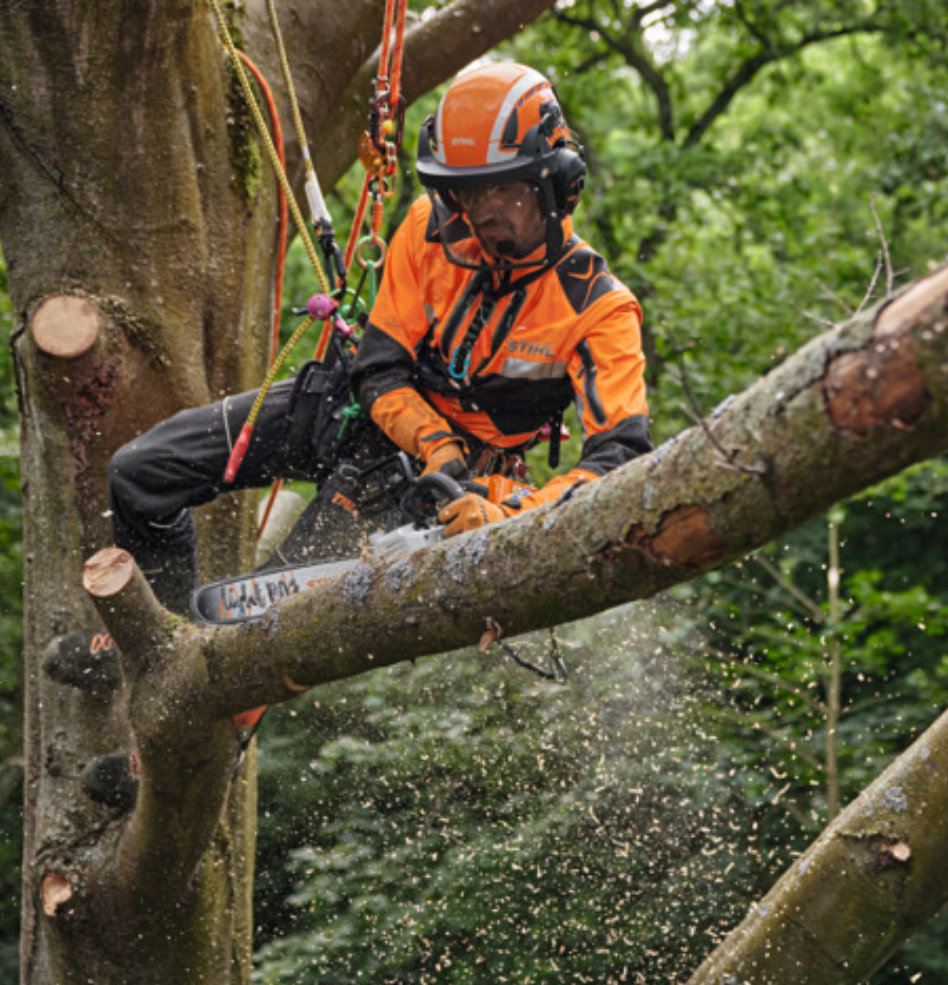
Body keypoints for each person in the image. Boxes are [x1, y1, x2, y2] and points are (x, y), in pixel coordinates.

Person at [103, 61, 651, 618]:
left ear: (557, 181)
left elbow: (619, 461)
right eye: (469, 193)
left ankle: (200, 671)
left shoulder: (599, 310)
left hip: (420, 484)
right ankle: (155, 634)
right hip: (354, 410)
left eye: (503, 190)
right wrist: (435, 442)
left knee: (253, 618)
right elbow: (379, 368)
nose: (483, 212)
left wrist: (513, 511)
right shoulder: (429, 227)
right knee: (140, 472)